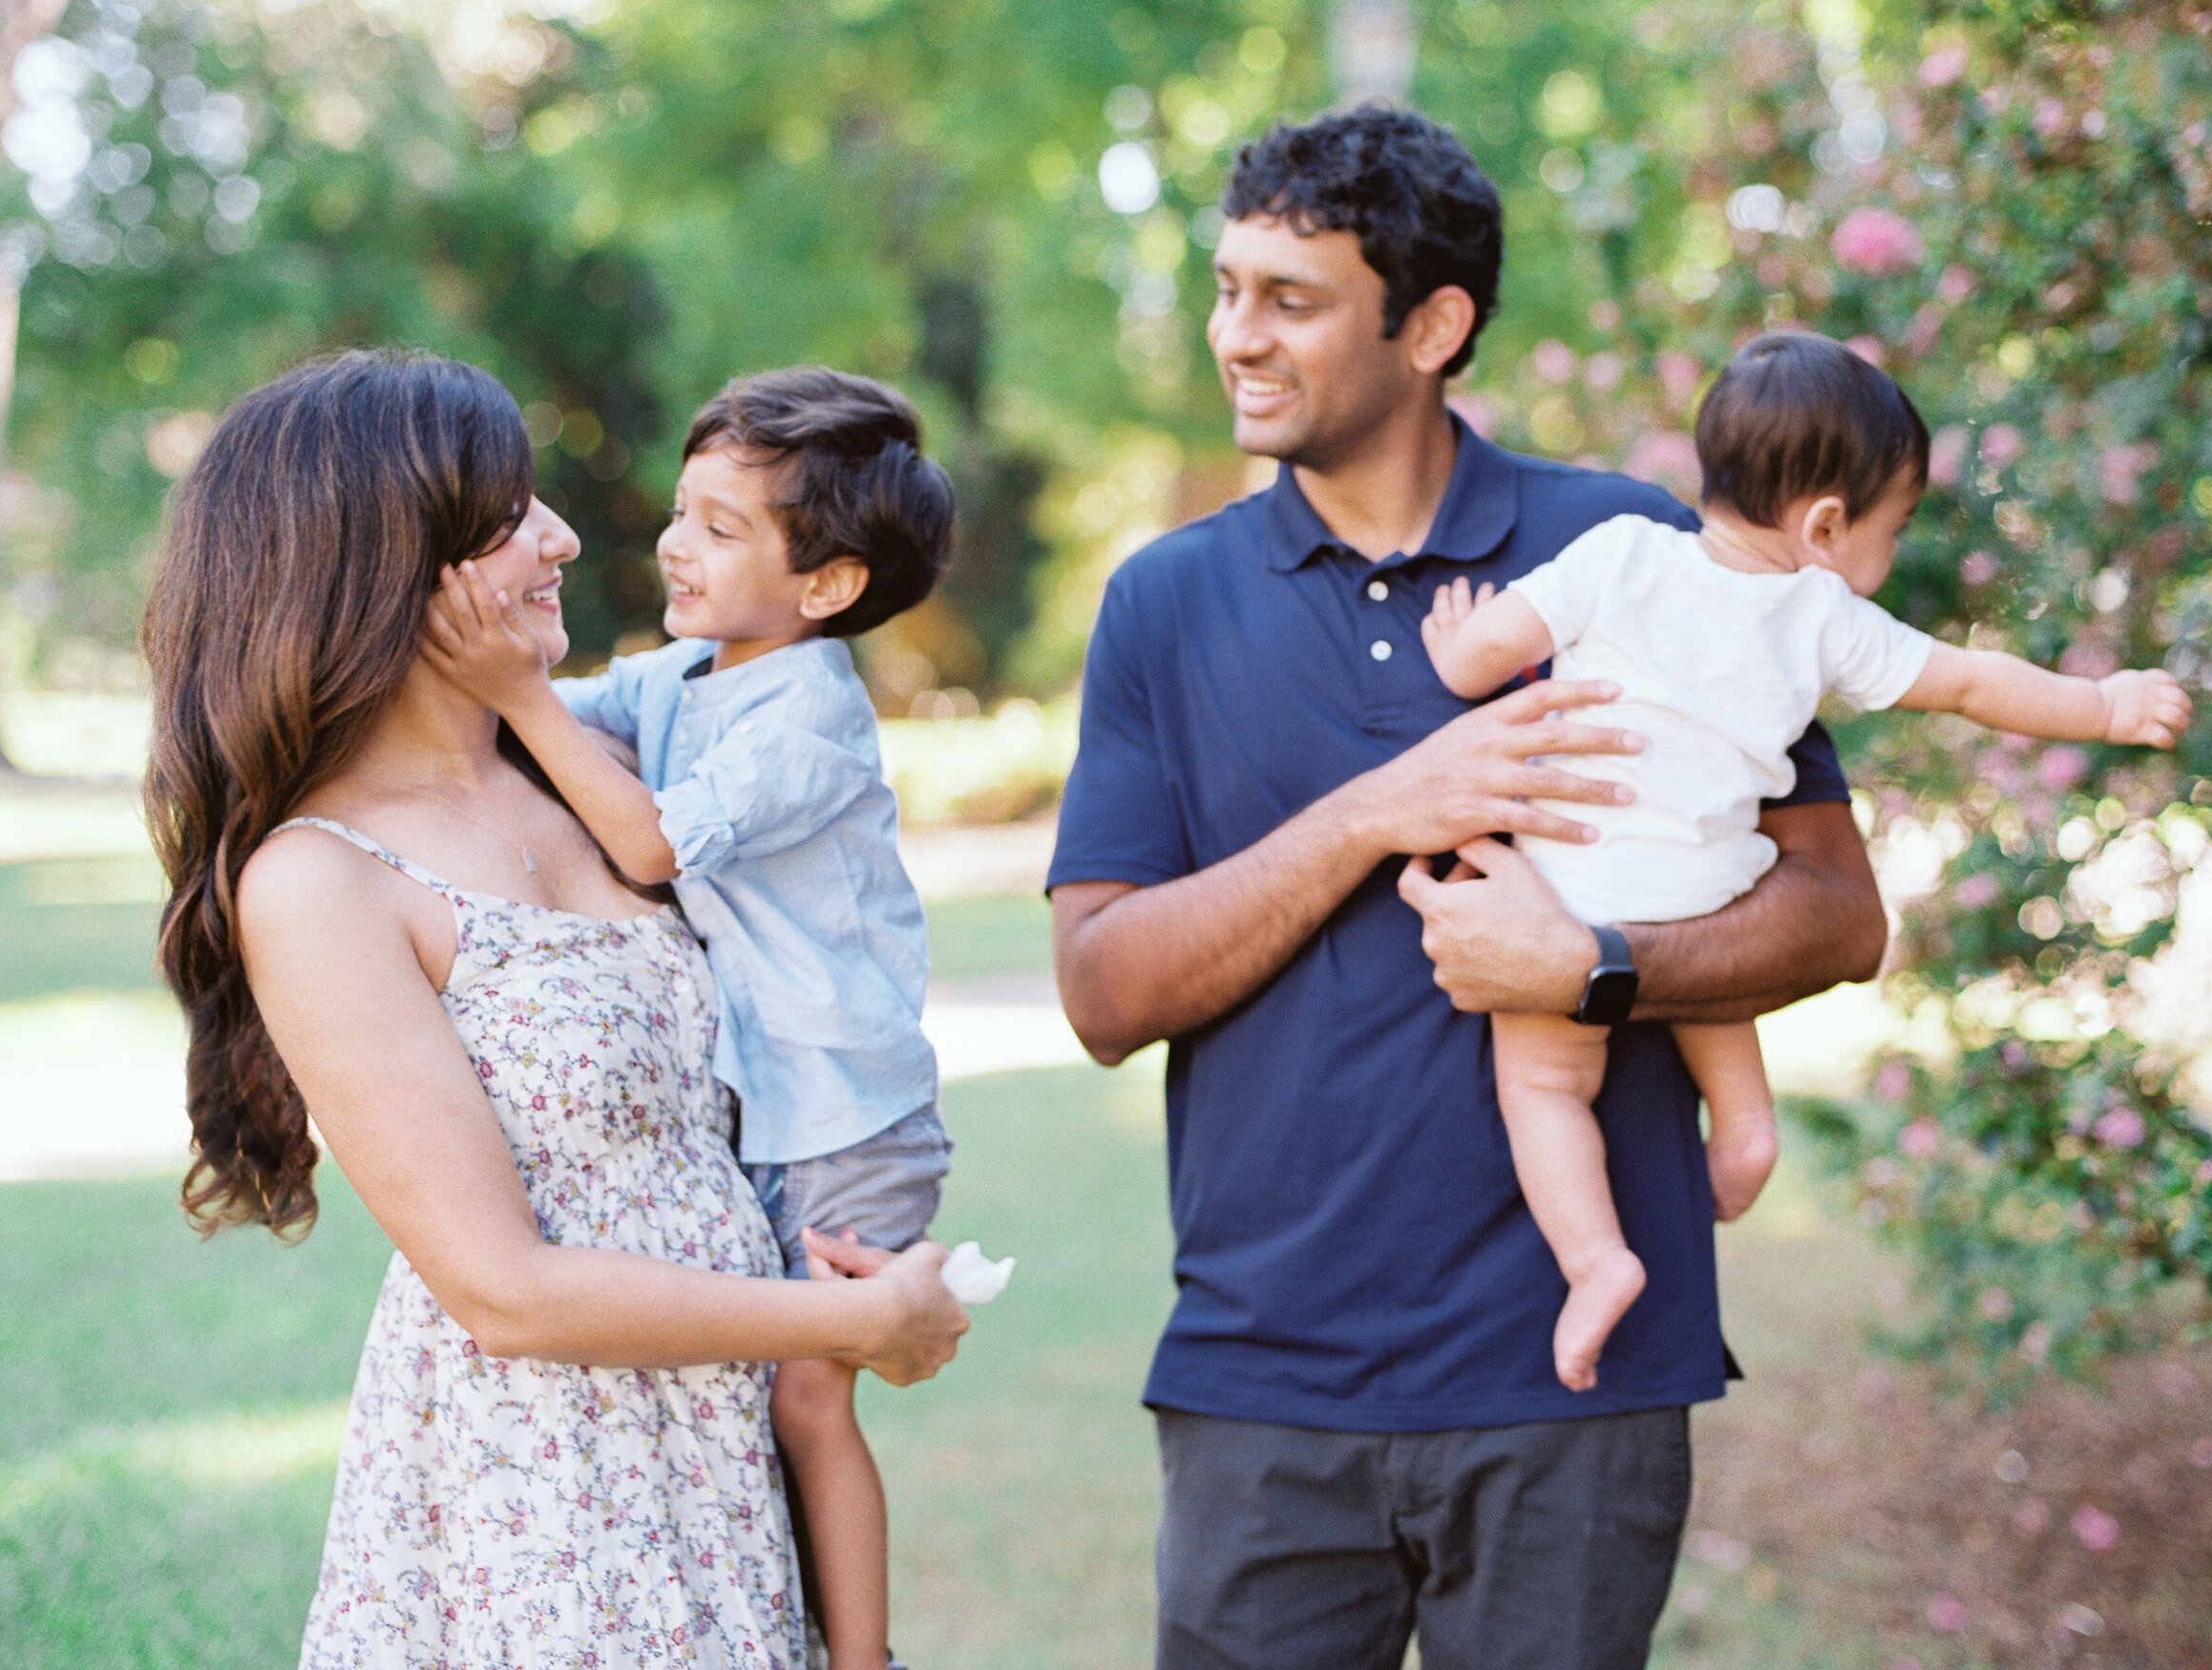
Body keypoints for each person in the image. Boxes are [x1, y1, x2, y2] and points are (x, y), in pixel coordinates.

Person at [1048, 105, 1888, 1670]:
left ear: (1432, 326)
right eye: (1227, 288)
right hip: (1260, 1393)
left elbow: (1840, 913)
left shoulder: (1640, 549)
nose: (1237, 336)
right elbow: (1101, 993)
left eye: (1288, 299)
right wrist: (1372, 813)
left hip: (1570, 1391)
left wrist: (1596, 971)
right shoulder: (1163, 602)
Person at [142, 350, 966, 1669]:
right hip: (544, 1494)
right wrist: (852, 1326)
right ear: (392, 562)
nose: (569, 534)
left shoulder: (589, 769)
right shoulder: (323, 879)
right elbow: (504, 1292)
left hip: (718, 1458)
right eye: (514, 511)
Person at [1421, 330, 2193, 1392]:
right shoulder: (1823, 617)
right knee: (1713, 988)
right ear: (1825, 526)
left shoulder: (1617, 552)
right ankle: (1742, 1139)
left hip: (1571, 893)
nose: (1890, 546)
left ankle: (1596, 1263)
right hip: (1705, 899)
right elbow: (1971, 684)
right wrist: (2103, 705)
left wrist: (1452, 639)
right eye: (1898, 525)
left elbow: (1473, 665)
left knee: (1546, 1086)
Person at [420, 366, 956, 1670]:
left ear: (825, 586)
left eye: (723, 528)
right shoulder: (686, 676)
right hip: (764, 1108)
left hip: (850, 1113)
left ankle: (862, 1657)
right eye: (681, 510)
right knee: (750, 1394)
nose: (675, 541)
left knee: (809, 1392)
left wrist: (518, 691)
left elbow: (651, 841)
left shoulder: (811, 711)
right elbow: (543, 739)